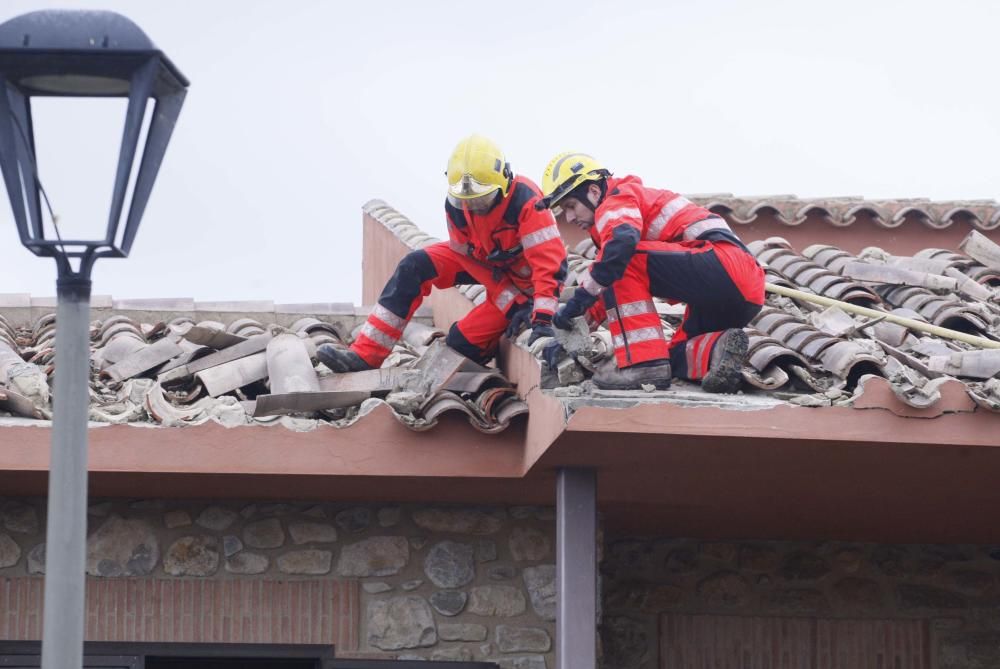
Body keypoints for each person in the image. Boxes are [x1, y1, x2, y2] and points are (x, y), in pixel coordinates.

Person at [318, 135, 566, 372]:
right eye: (465, 201)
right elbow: (465, 255)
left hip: (529, 286)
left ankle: (489, 350)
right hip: (483, 265)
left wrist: (542, 318)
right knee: (414, 266)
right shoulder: (458, 205)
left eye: (482, 200)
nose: (472, 207)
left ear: (504, 181)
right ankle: (366, 354)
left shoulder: (526, 201)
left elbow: (550, 265)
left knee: (459, 345)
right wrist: (511, 302)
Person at [536, 152, 764, 392]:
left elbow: (620, 252)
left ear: (593, 191)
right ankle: (718, 349)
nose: (569, 217)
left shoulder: (616, 199)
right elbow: (611, 285)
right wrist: (570, 333)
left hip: (724, 265)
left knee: (621, 258)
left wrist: (579, 301)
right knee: (675, 354)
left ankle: (642, 365)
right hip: (744, 289)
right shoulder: (624, 210)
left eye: (571, 205)